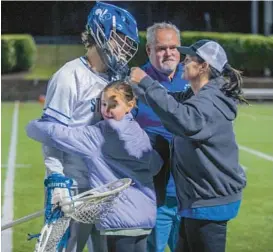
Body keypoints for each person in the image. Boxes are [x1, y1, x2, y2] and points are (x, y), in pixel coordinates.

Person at [129, 39, 247, 252]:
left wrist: (146, 81)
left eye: (189, 59)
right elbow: (166, 102)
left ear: (204, 67)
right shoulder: (197, 95)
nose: (183, 62)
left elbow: (182, 119)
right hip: (199, 200)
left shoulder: (209, 101)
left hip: (210, 202)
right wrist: (132, 90)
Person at [40, 2, 139, 251]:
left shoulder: (116, 80)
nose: (125, 48)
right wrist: (56, 179)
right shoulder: (69, 75)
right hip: (71, 185)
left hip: (103, 187)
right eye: (120, 39)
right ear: (99, 32)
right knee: (62, 248)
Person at [26, 81, 163, 252]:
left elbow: (56, 135)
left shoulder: (98, 136)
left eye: (113, 105)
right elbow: (156, 165)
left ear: (130, 105)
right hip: (144, 217)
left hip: (118, 220)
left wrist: (32, 126)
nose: (106, 110)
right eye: (103, 104)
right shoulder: (139, 132)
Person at [132, 22, 188, 252]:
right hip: (152, 197)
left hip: (190, 195)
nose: (169, 53)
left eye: (174, 47)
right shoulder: (134, 84)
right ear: (149, 50)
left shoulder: (192, 78)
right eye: (162, 48)